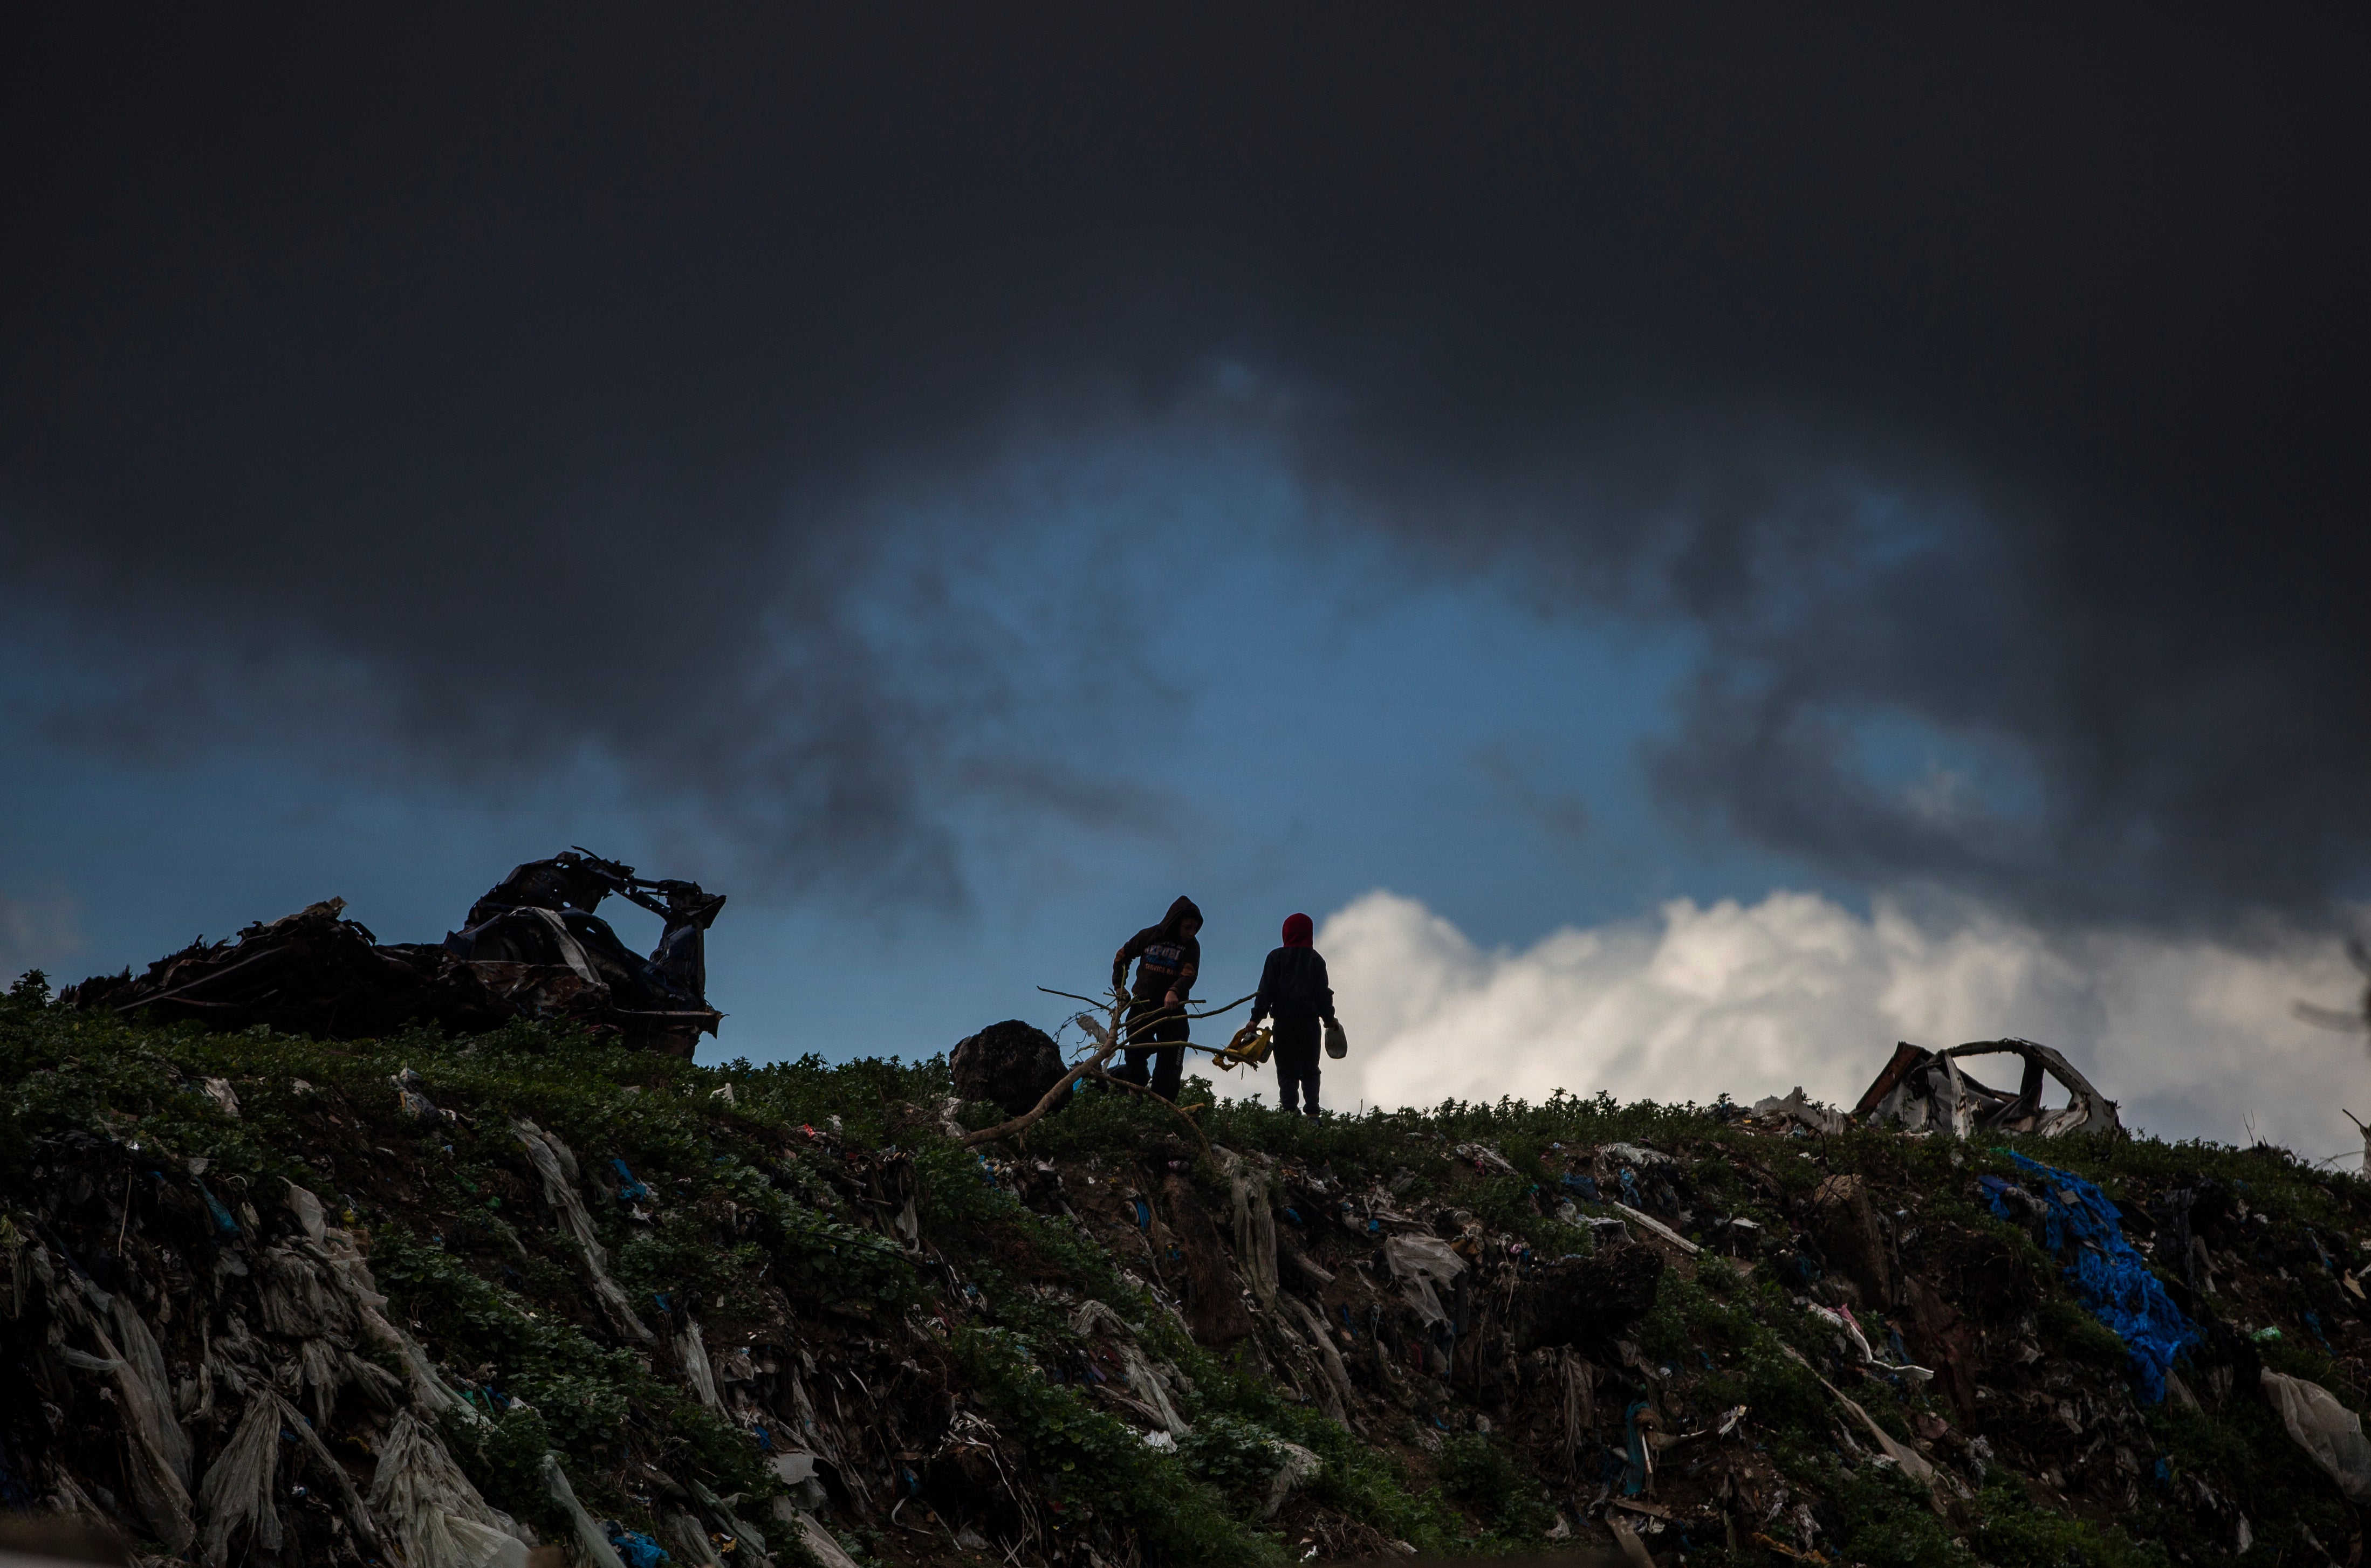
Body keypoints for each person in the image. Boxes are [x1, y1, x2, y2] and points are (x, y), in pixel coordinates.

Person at [1111, 896, 1202, 1101]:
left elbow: (1189, 974)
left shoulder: (1192, 947)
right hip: (1142, 1005)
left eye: (1195, 929)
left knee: (1171, 1060)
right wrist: (1120, 987)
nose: (1191, 933)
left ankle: (1161, 1107)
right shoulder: (1149, 936)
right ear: (1175, 921)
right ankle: (1135, 1096)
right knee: (1135, 1054)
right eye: (1188, 927)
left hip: (1173, 1011)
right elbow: (1122, 956)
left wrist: (1174, 992)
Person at [1250, 912, 1334, 1116]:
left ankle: (1289, 1112)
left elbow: (1266, 991)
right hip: (1310, 1024)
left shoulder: (1275, 958)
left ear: (1286, 933)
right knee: (1311, 1069)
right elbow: (1323, 995)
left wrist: (1255, 1019)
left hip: (1284, 1024)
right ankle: (1313, 1112)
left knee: (1287, 1069)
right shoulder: (1316, 960)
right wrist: (1330, 1020)